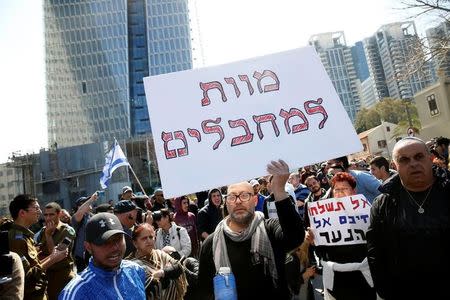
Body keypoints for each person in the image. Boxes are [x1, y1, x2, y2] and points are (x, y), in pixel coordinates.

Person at [197, 160, 305, 299]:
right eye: (232, 197)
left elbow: (295, 237)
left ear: (255, 200)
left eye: (244, 195)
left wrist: (278, 189)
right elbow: (204, 291)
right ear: (226, 204)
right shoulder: (211, 244)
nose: (238, 201)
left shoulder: (270, 228)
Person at [366, 137, 450, 299]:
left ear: (430, 158)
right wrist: (386, 292)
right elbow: (375, 253)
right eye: (404, 160)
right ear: (394, 166)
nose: (413, 163)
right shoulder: (383, 204)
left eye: (419, 157)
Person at [306, 172, 376, 300]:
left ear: (353, 191)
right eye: (337, 189)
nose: (340, 192)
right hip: (336, 281)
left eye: (344, 189)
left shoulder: (367, 211)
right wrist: (313, 241)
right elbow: (322, 252)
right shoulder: (324, 216)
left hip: (364, 279)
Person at [59, 213, 146, 299]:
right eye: (105, 242)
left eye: (118, 239)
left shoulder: (135, 270)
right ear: (88, 247)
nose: (114, 247)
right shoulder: (76, 292)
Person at [8, 194, 67, 300]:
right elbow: (27, 276)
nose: (40, 211)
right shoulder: (17, 239)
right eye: (36, 208)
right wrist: (53, 259)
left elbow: (33, 265)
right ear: (22, 213)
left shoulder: (25, 236)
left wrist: (52, 256)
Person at [128, 223, 187, 300]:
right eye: (144, 238)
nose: (148, 241)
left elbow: (178, 266)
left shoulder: (160, 254)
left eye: (151, 237)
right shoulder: (129, 265)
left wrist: (162, 272)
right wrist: (168, 275)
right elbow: (146, 289)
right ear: (135, 243)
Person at [36, 202, 76, 300]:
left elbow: (55, 255)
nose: (48, 218)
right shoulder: (43, 231)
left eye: (51, 214)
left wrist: (49, 236)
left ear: (58, 214)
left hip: (62, 276)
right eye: (46, 215)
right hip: (47, 276)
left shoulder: (68, 231)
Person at [71, 192, 98, 272]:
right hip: (81, 256)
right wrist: (91, 199)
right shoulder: (76, 217)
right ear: (79, 206)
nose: (89, 203)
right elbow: (80, 212)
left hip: (94, 254)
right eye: (85, 202)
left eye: (89, 201)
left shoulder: (93, 216)